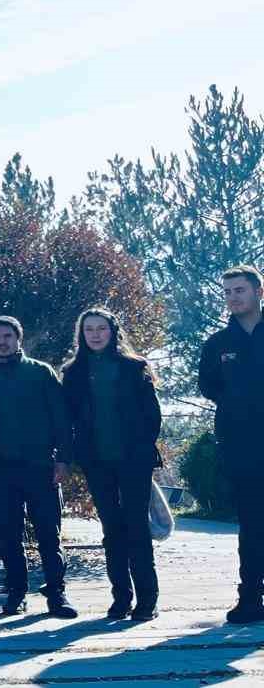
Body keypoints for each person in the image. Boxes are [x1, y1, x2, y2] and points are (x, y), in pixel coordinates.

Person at [0, 315, 76, 618]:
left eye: (7, 336)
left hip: (40, 467)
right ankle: (16, 594)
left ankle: (57, 594)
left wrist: (63, 459)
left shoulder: (40, 373)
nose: (2, 341)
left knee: (49, 533)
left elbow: (61, 420)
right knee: (8, 535)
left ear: (18, 339)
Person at [60, 308, 161, 621]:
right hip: (97, 462)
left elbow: (152, 416)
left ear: (113, 331)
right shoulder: (73, 372)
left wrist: (140, 450)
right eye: (88, 329)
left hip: (134, 461)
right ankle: (121, 598)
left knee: (137, 528)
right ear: (82, 334)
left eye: (100, 328)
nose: (95, 334)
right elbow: (68, 419)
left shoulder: (135, 367)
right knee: (112, 530)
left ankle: (147, 600)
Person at [199, 264, 264, 624]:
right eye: (227, 292)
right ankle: (251, 598)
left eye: (239, 290)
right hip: (242, 445)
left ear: (258, 292)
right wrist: (239, 405)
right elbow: (208, 386)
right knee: (253, 523)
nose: (232, 297)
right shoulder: (218, 344)